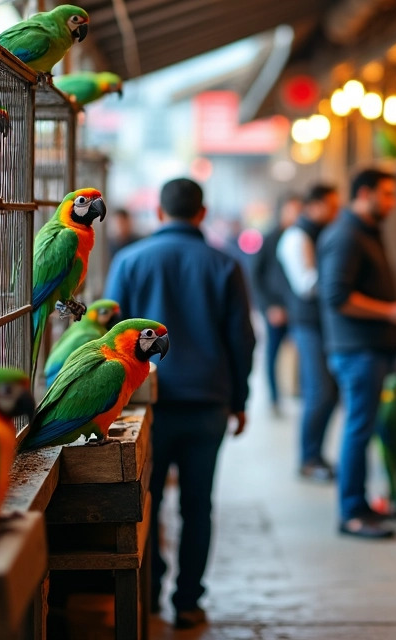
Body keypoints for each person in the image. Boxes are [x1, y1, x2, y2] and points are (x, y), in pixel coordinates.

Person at [104, 178, 255, 630]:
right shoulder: (225, 264)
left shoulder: (130, 261)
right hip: (207, 402)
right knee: (197, 505)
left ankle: (147, 593)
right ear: (202, 213)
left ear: (160, 212)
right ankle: (188, 601)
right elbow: (242, 341)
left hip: (148, 404)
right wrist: (240, 399)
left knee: (144, 502)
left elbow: (109, 338)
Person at [317, 168, 396, 539]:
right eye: (387, 195)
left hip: (371, 351)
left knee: (362, 429)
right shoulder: (346, 235)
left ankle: (361, 505)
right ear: (364, 193)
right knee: (358, 431)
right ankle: (352, 512)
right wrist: (389, 311)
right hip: (357, 352)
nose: (392, 203)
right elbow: (336, 296)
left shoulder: (365, 231)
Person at [277, 183, 341, 482]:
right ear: (313, 206)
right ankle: (309, 457)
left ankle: (315, 455)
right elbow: (306, 283)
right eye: (332, 205)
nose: (336, 211)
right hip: (308, 324)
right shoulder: (297, 237)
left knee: (326, 392)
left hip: (321, 324)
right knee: (319, 392)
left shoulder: (317, 234)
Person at [250, 195, 302, 414]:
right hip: (276, 309)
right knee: (273, 353)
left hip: (298, 308)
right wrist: (269, 306)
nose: (297, 215)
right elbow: (256, 275)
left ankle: (299, 392)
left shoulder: (302, 236)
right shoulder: (270, 238)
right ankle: (274, 398)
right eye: (293, 210)